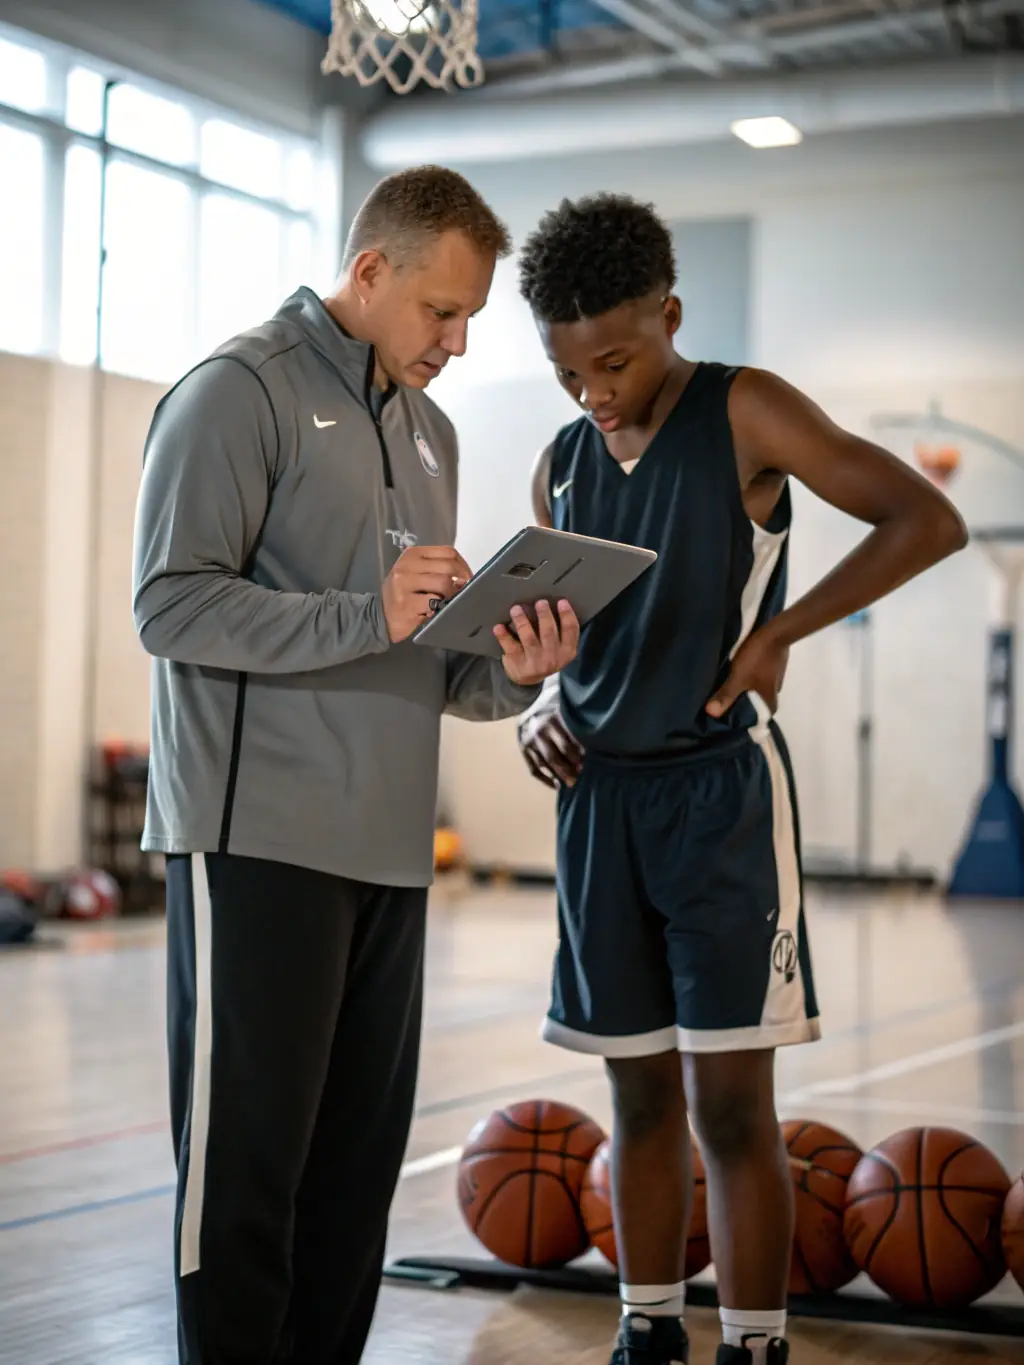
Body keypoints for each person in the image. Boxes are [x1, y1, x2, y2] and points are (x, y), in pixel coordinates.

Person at [132, 164, 579, 1365]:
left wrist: (520, 665)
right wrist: (364, 615)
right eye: (442, 310)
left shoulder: (428, 433)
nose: (458, 340)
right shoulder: (237, 392)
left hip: (388, 855)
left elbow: (428, 661)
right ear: (370, 270)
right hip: (256, 838)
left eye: (473, 316)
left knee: (349, 1189)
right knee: (246, 1184)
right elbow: (170, 608)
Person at [514, 193, 966, 1365]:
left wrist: (783, 634)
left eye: (613, 361)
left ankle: (754, 1345)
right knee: (638, 1101)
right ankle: (647, 1331)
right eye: (569, 374)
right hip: (597, 809)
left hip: (717, 797)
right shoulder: (558, 466)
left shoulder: (744, 407)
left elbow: (925, 519)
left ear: (669, 313)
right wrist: (541, 706)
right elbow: (561, 647)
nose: (594, 393)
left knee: (727, 1104)